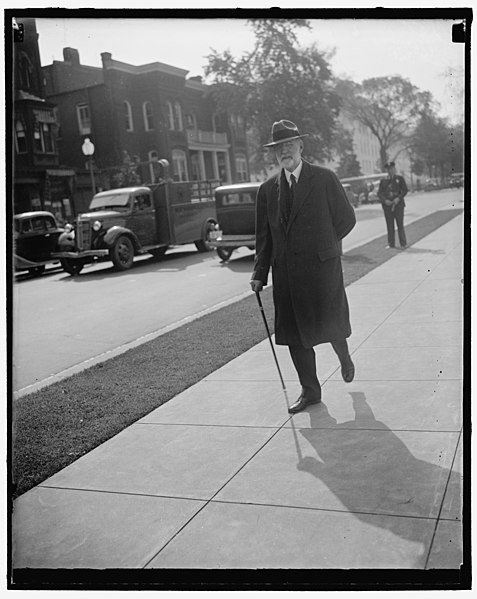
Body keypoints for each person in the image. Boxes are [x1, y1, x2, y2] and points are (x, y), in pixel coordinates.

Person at [250, 120, 356, 414]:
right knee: (296, 335)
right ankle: (310, 392)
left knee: (331, 323)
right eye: (278, 148)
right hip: (287, 275)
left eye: (289, 144)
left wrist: (324, 246)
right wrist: (259, 274)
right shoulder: (267, 190)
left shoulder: (324, 178)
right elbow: (264, 238)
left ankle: (344, 358)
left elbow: (346, 220)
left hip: (322, 271)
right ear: (274, 154)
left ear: (301, 146)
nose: (284, 151)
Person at [377, 161, 408, 249]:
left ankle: (403, 243)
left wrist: (398, 198)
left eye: (392, 169)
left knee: (400, 225)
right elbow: (379, 193)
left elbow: (405, 190)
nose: (390, 171)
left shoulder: (400, 179)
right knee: (389, 225)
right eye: (388, 169)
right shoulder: (383, 180)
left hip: (398, 205)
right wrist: (385, 200)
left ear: (394, 169)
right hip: (387, 206)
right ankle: (391, 244)